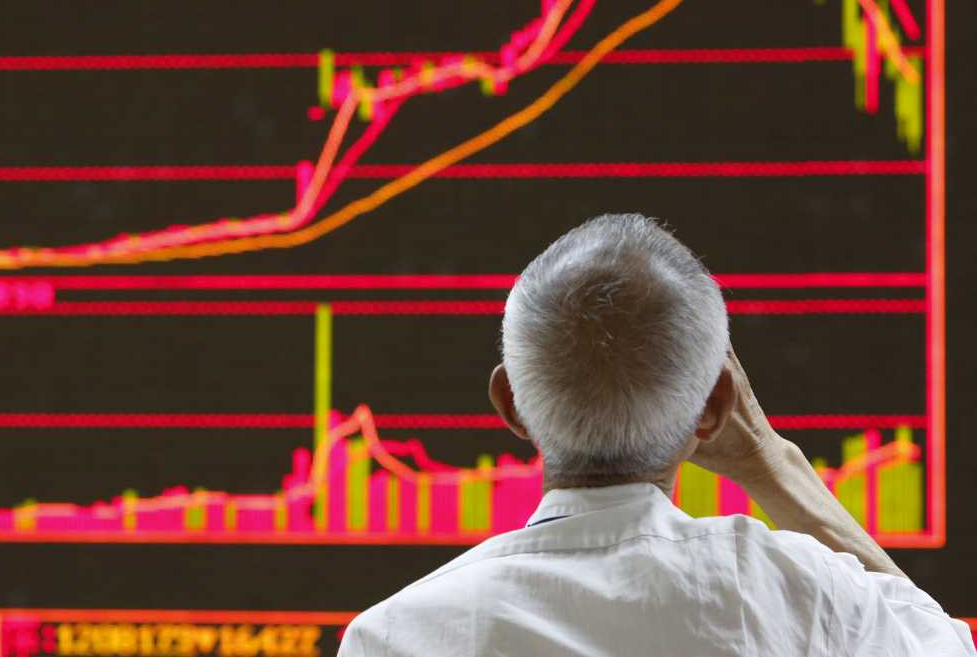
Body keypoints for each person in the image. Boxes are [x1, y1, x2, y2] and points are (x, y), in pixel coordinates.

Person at [338, 214, 972, 657]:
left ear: (511, 403)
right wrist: (772, 466)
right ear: (717, 406)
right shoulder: (801, 595)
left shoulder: (392, 637)